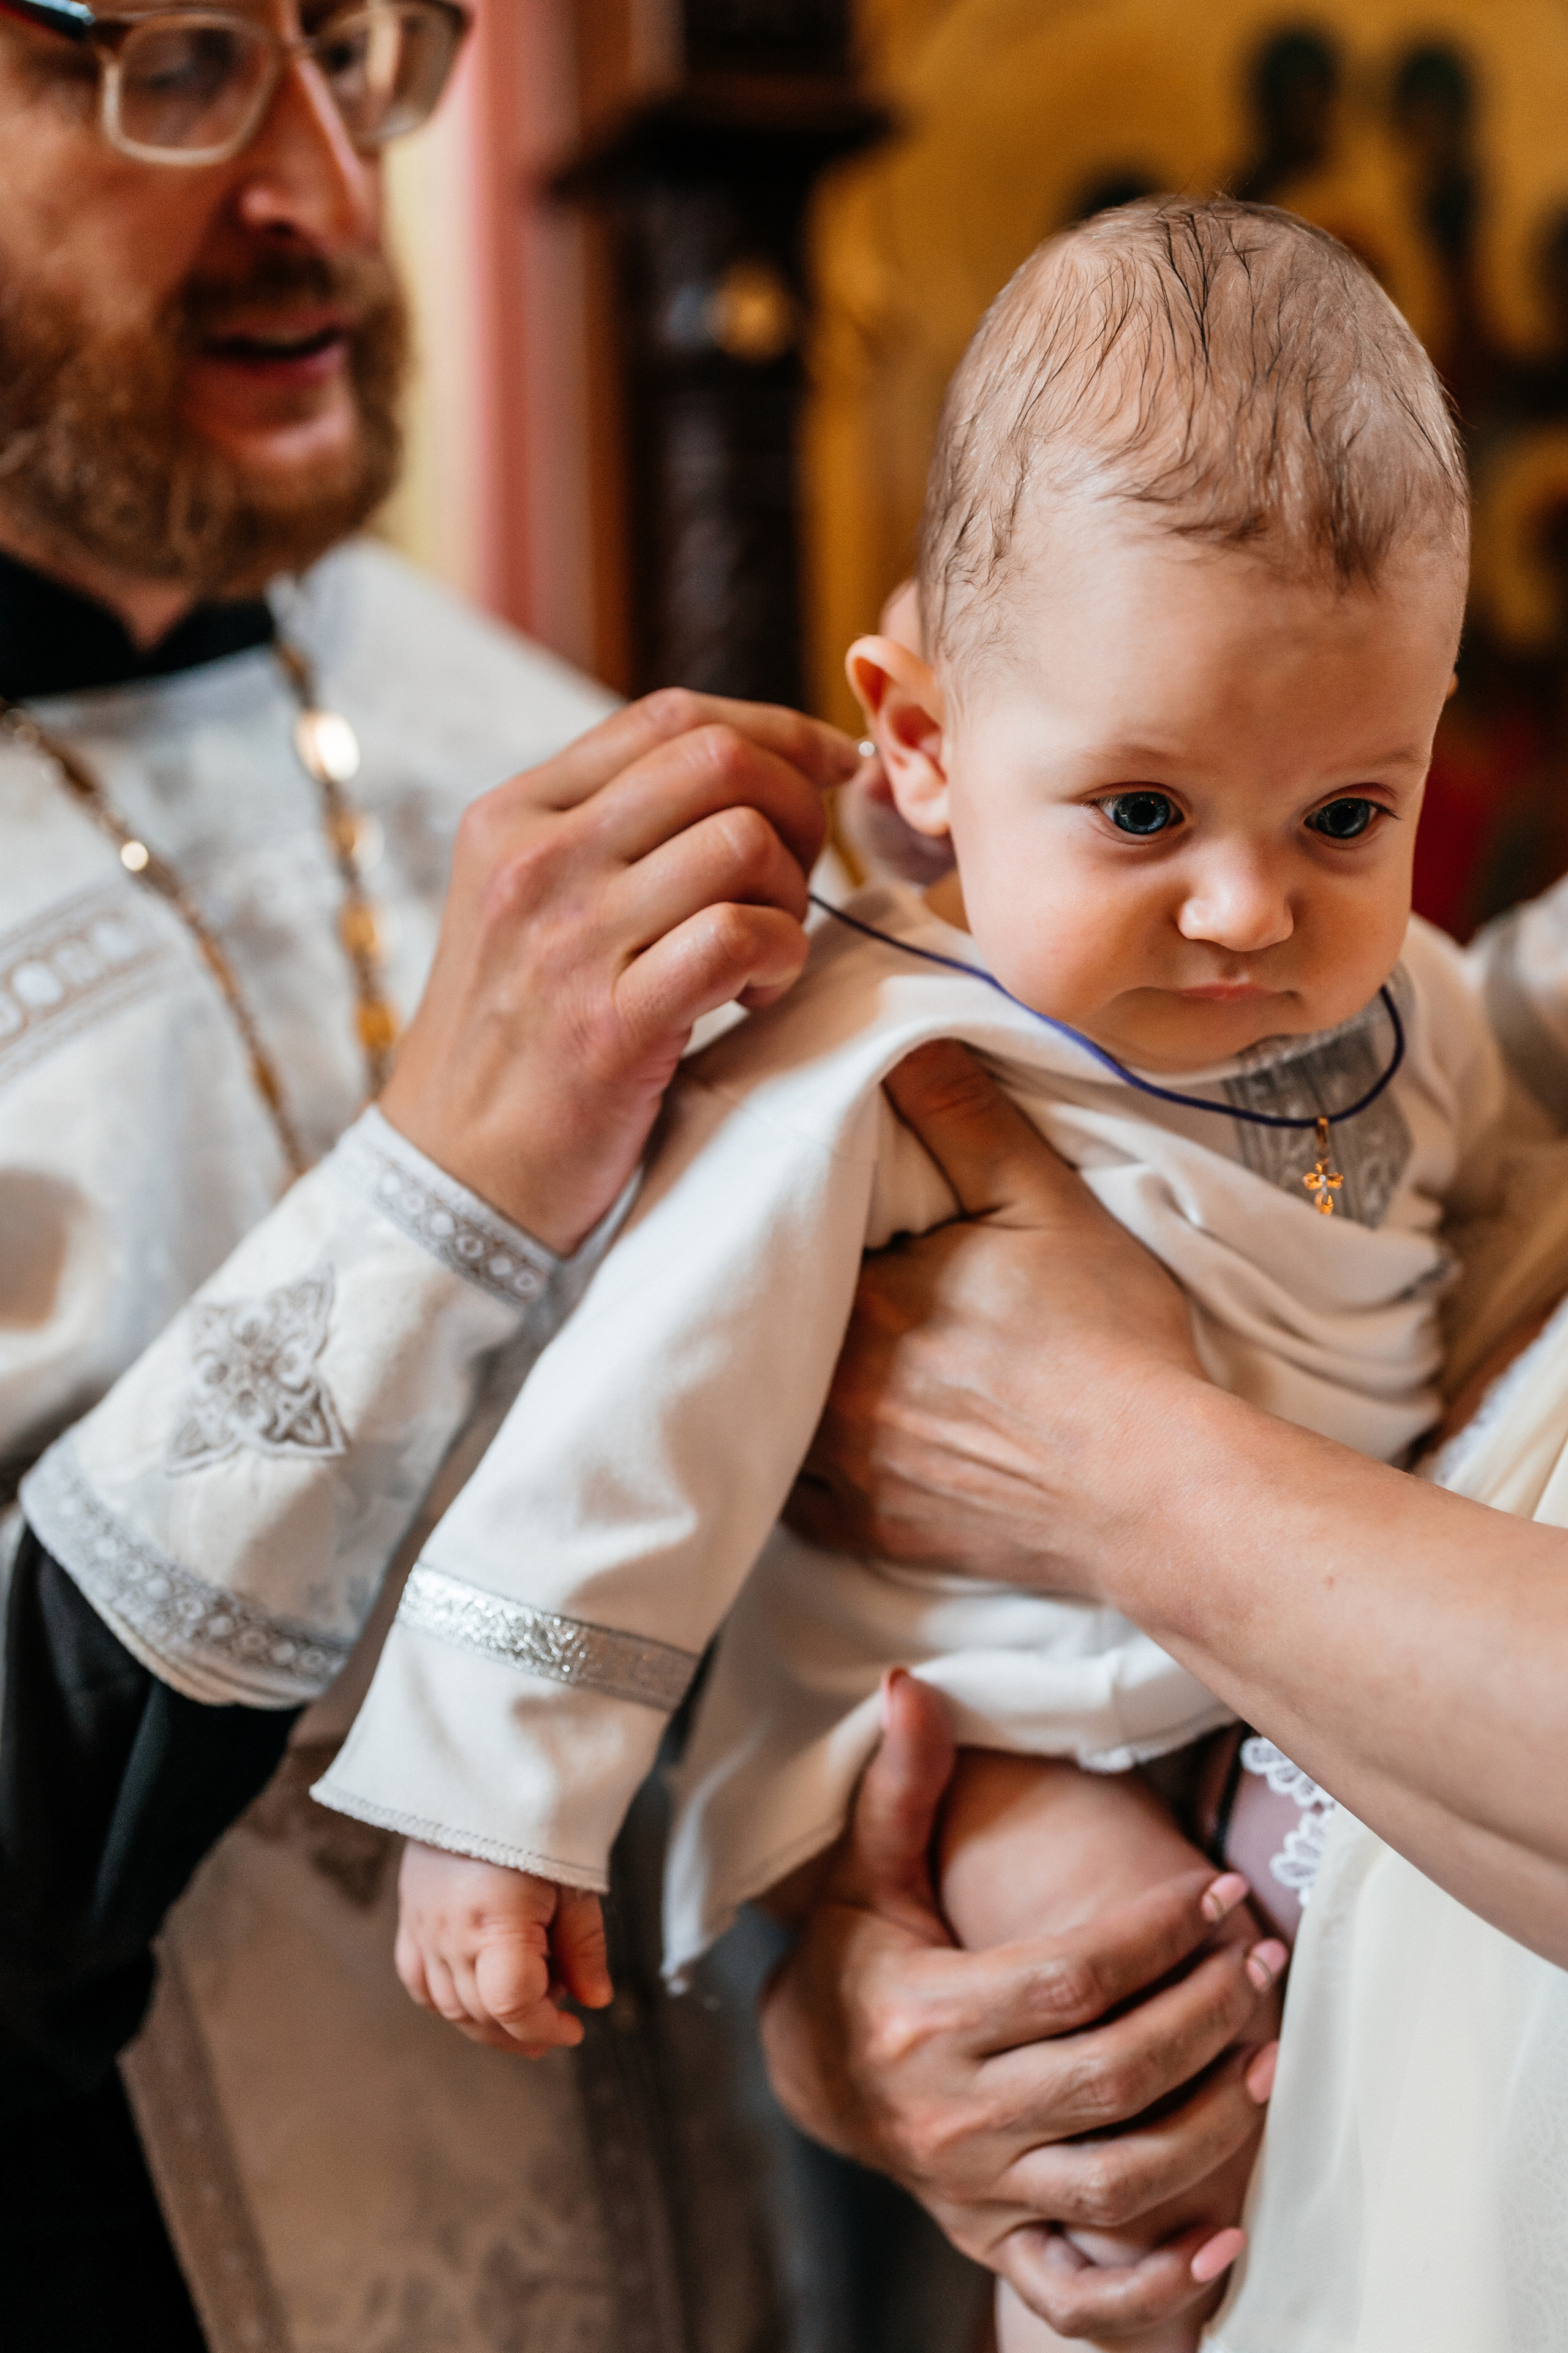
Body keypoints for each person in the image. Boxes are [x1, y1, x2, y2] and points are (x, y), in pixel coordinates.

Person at [0, 9, 1295, 2352]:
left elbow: (765, 1564)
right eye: (179, 57)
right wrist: (440, 1184)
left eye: (355, 45)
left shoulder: (523, 724)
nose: (318, 180)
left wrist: (851, 1996)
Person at [308, 198, 1514, 2350]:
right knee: (1153, 2020)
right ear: (929, 741)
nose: (1249, 908)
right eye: (1142, 810)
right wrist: (494, 1802)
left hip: (1331, 1682)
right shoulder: (876, 1060)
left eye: (1349, 812)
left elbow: (1493, 1204)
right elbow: (638, 1409)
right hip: (990, 1713)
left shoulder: (1409, 1002)